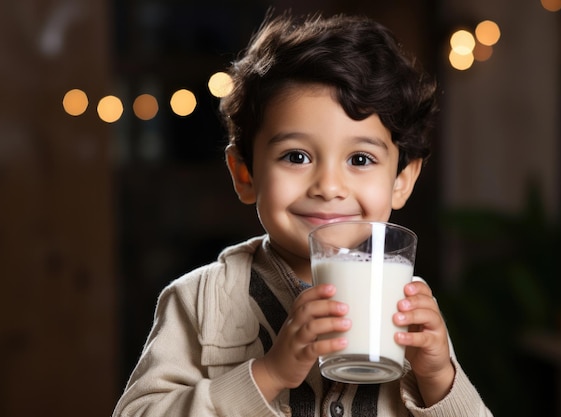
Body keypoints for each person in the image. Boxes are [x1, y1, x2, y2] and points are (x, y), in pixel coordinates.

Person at [112, 11, 492, 417]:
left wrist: (438, 379)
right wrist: (267, 374)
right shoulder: (199, 301)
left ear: (402, 179)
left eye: (360, 159)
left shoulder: (406, 309)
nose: (328, 186)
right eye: (296, 156)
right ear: (245, 174)